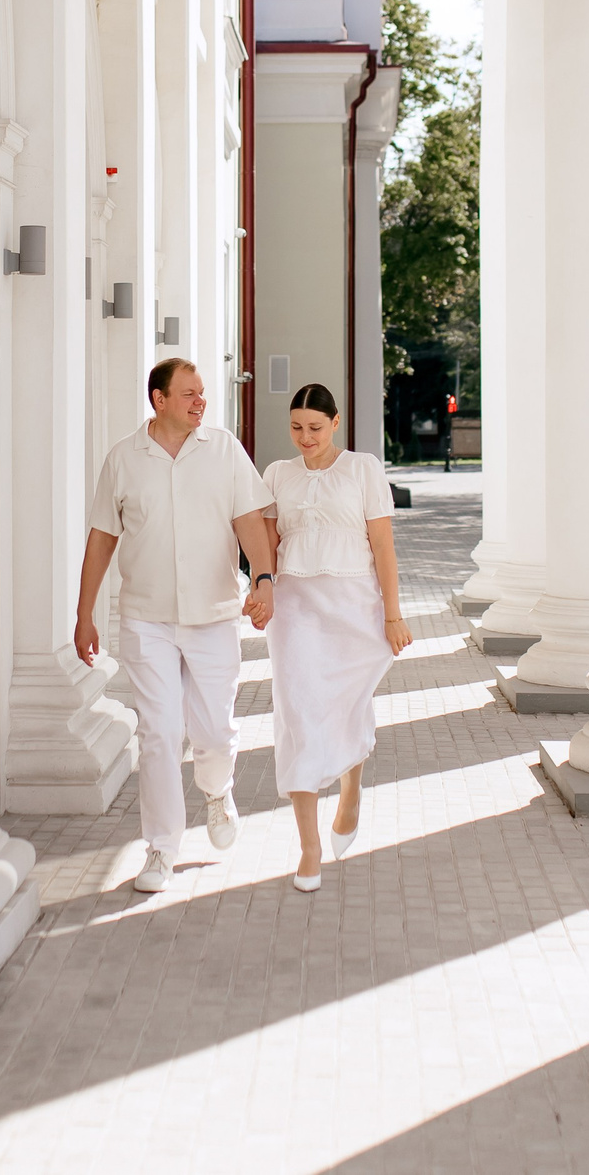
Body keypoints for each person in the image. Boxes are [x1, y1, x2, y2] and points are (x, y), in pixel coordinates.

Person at [77, 357, 278, 893]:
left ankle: (216, 792)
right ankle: (161, 850)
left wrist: (263, 579)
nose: (200, 402)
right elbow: (102, 537)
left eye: (203, 394)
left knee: (213, 730)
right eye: (188, 394)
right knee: (160, 734)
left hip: (213, 615)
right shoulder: (123, 459)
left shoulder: (224, 450)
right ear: (158, 400)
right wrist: (84, 613)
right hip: (147, 618)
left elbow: (250, 521)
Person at [260, 383, 411, 892]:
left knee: (347, 706)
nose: (306, 437)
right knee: (297, 713)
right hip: (297, 608)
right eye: (297, 427)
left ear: (336, 423)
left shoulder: (363, 468)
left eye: (316, 428)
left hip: (355, 606)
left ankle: (351, 791)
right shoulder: (278, 475)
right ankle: (308, 847)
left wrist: (393, 614)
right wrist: (260, 592)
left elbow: (383, 546)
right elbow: (268, 546)